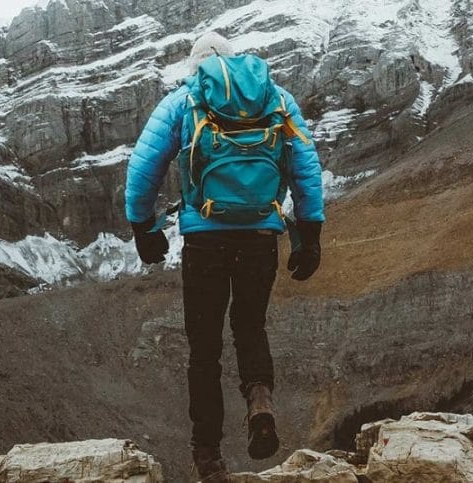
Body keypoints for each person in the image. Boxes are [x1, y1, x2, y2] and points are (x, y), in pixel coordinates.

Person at [124, 31, 325, 482]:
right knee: (251, 326)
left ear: (196, 68)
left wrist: (144, 226)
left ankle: (209, 457)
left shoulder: (184, 100)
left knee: (204, 350)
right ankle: (259, 403)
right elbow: (305, 163)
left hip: (205, 242)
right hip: (259, 236)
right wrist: (309, 233)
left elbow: (143, 165)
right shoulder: (276, 98)